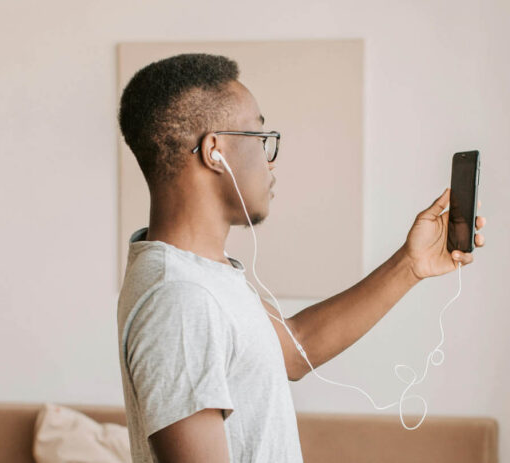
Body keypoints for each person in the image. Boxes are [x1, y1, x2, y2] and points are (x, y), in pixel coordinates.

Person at [115, 53, 487, 463]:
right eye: (261, 139)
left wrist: (410, 263)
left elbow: (294, 350)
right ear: (214, 151)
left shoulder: (199, 275)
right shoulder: (181, 298)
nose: (270, 160)